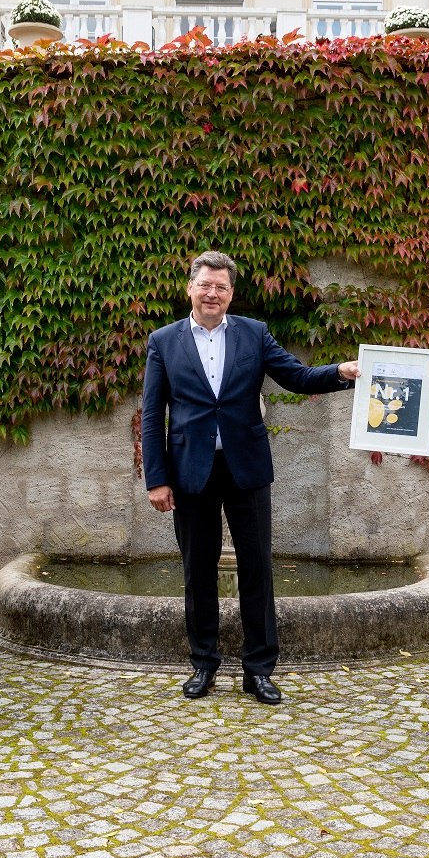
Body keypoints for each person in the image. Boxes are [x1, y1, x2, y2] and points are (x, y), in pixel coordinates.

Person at [141, 251, 360, 704]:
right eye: (205, 285)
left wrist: (341, 372)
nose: (212, 293)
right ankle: (203, 665)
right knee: (196, 571)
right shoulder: (163, 341)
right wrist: (156, 479)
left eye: (221, 287)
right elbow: (152, 413)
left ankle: (258, 670)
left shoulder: (254, 334)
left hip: (247, 470)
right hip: (190, 473)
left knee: (257, 569)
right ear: (190, 288)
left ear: (231, 293)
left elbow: (297, 377)